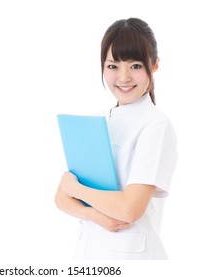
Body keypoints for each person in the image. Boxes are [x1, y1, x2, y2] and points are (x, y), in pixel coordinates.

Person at [55, 18, 178, 260]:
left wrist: (77, 189)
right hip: (89, 255)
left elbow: (129, 208)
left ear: (154, 65)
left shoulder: (156, 125)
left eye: (135, 65)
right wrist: (95, 215)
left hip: (133, 259)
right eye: (113, 66)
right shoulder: (95, 120)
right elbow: (61, 198)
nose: (123, 77)